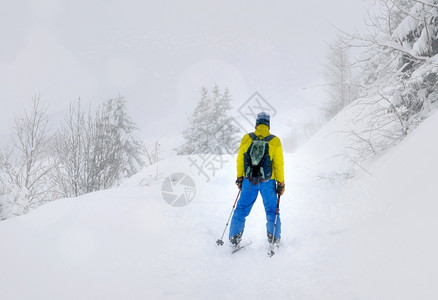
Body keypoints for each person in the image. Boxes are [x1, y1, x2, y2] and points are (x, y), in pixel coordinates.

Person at [229, 112, 285, 246]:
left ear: (256, 124)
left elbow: (240, 160)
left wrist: (240, 177)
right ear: (268, 125)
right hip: (268, 182)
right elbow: (278, 164)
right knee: (272, 210)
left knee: (241, 209)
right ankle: (274, 239)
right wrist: (281, 182)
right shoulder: (275, 140)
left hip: (249, 180)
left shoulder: (247, 138)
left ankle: (234, 239)